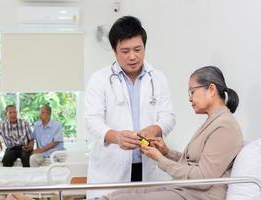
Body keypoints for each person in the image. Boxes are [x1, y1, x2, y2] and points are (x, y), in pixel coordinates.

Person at [98, 66, 243, 200]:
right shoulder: (214, 122)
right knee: (123, 193)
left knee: (125, 198)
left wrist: (161, 159)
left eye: (192, 92)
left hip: (199, 195)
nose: (190, 98)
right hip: (185, 189)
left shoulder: (224, 126)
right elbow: (193, 163)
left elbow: (203, 178)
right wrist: (166, 152)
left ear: (211, 89)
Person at [85, 16, 175, 198]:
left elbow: (168, 117)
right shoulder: (99, 79)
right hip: (111, 170)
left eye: (137, 49)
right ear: (114, 51)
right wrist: (116, 137)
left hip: (149, 166)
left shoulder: (158, 78)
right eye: (125, 51)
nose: (132, 56)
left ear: (144, 47)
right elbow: (91, 121)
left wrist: (156, 128)